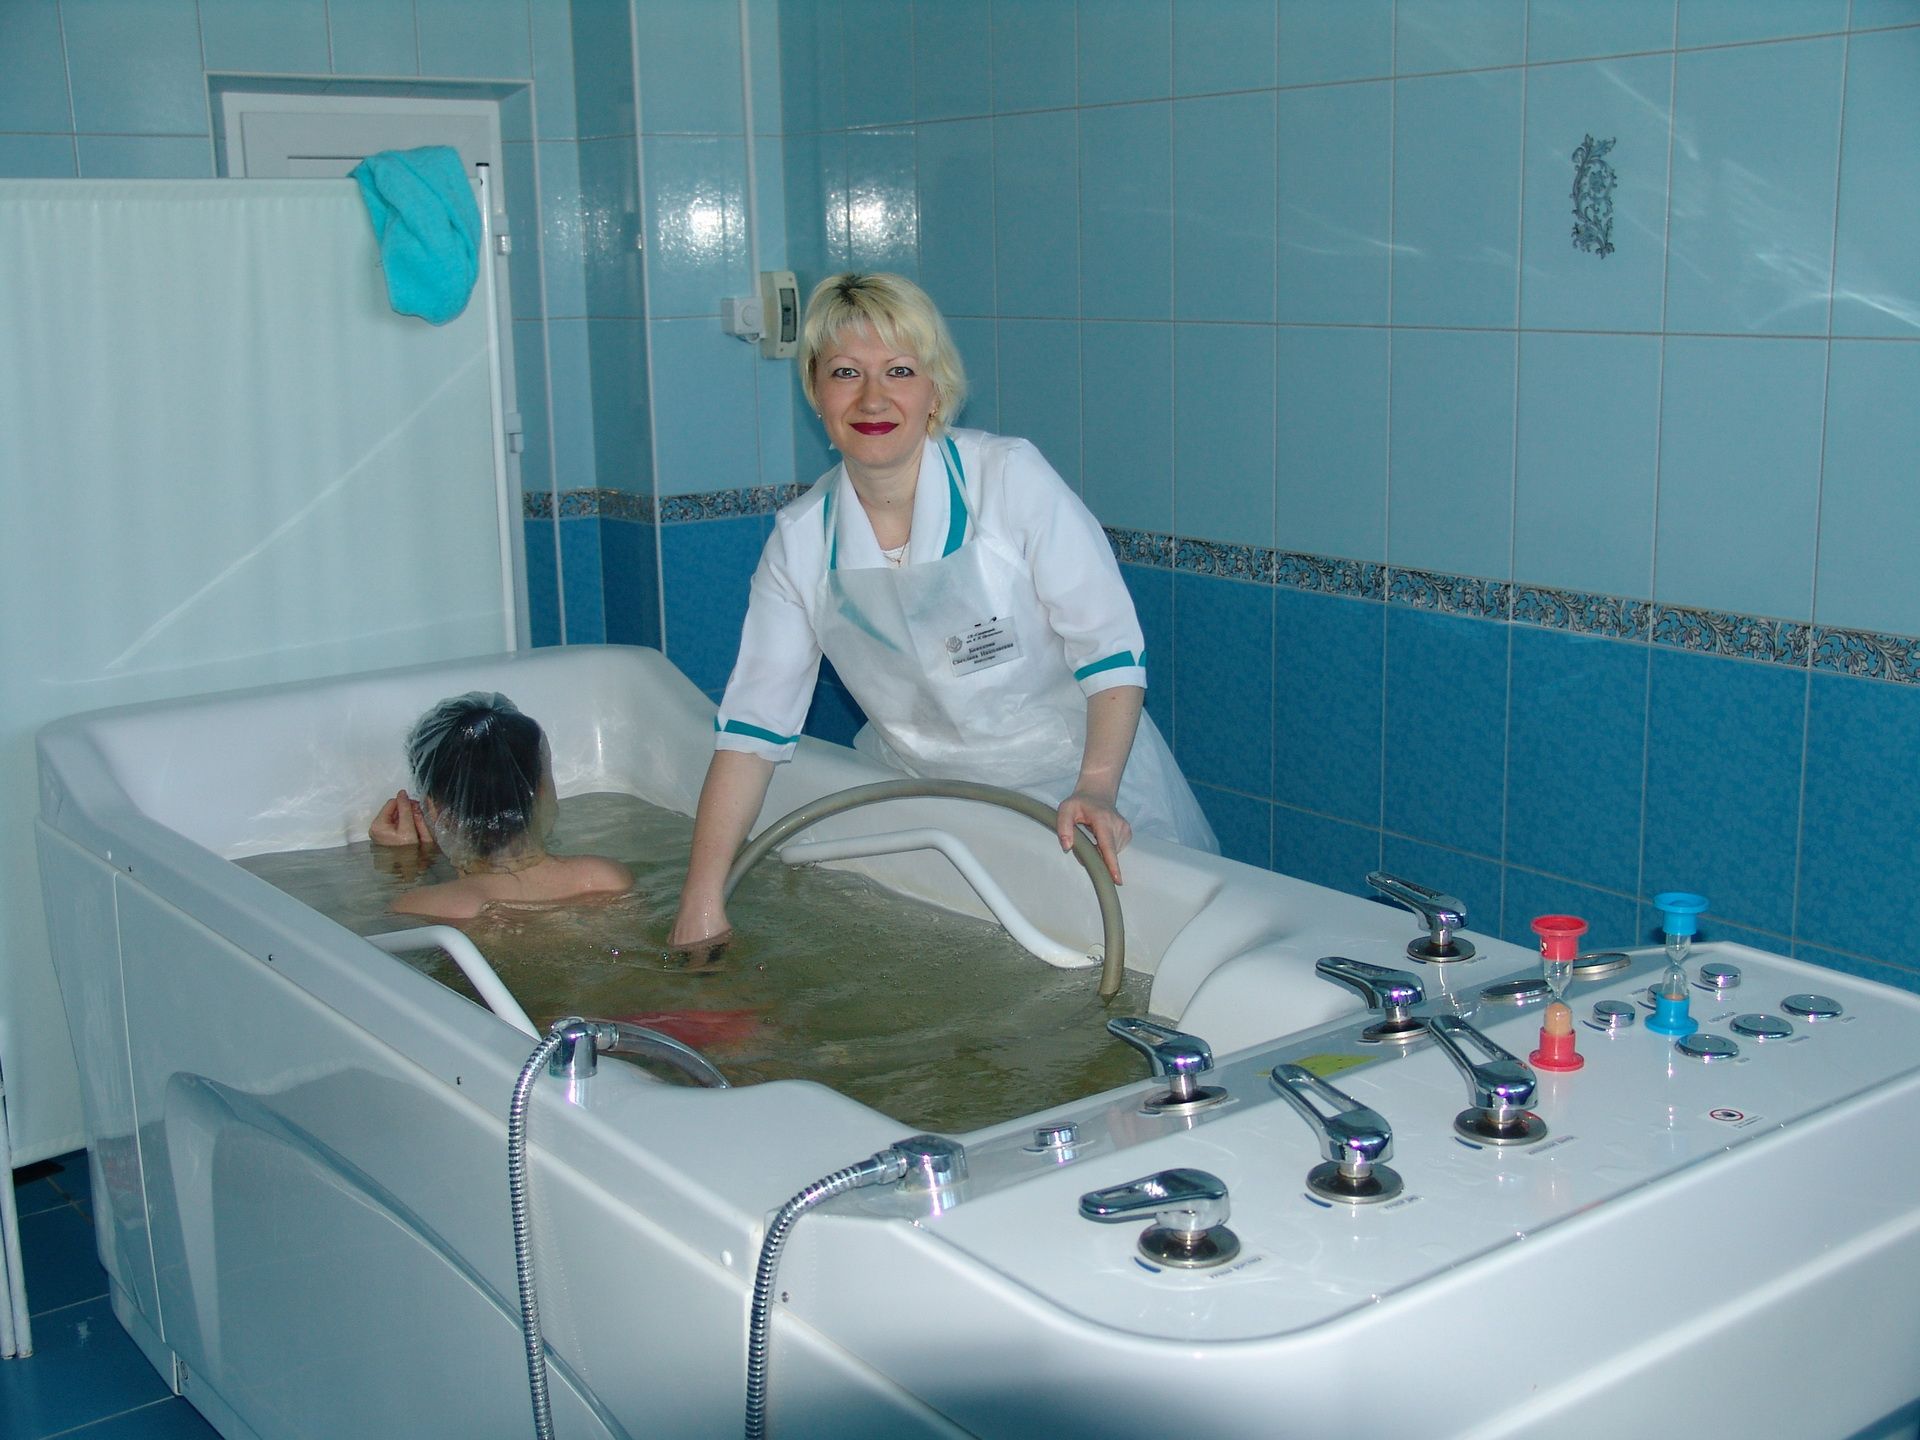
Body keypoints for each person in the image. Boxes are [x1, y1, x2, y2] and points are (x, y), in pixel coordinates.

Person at [669, 272, 1217, 953]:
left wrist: (1098, 787)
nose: (873, 398)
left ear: (935, 390)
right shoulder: (801, 542)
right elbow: (753, 730)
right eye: (846, 372)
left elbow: (1109, 648)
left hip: (1082, 794)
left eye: (899, 371)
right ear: (815, 391)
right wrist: (700, 902)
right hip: (933, 812)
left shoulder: (1008, 478)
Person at [370, 692, 632, 920]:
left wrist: (407, 866)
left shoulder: (426, 906)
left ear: (434, 809)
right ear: (541, 790)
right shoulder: (604, 879)